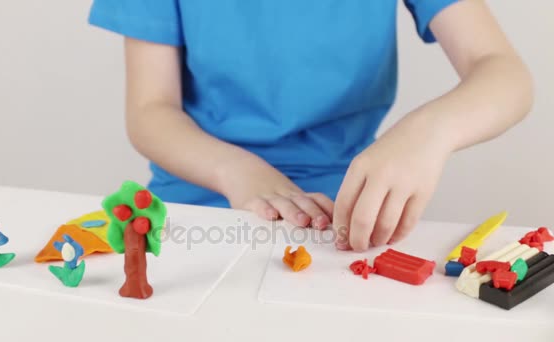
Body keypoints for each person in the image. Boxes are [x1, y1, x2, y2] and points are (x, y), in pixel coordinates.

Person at [88, 0, 533, 251]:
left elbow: (503, 73)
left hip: (342, 215)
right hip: (196, 202)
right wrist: (236, 172)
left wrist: (430, 132)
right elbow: (150, 111)